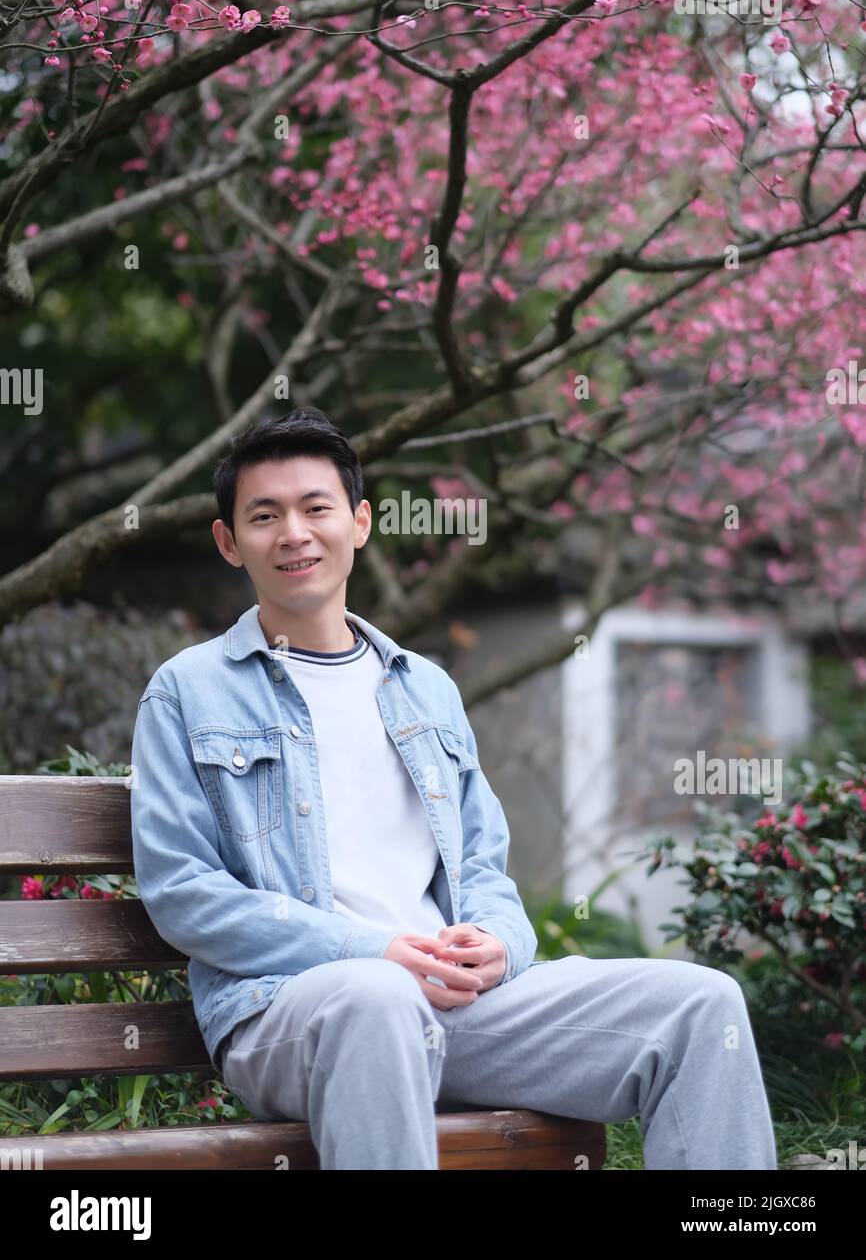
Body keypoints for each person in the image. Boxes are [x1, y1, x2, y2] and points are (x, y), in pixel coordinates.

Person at [130, 407, 778, 1171]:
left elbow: (481, 866)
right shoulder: (189, 691)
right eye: (264, 516)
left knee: (700, 1007)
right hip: (290, 1011)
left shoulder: (424, 688)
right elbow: (183, 891)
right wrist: (373, 950)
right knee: (379, 997)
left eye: (316, 508)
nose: (294, 533)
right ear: (229, 542)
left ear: (360, 523)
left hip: (455, 1005)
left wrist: (503, 943)